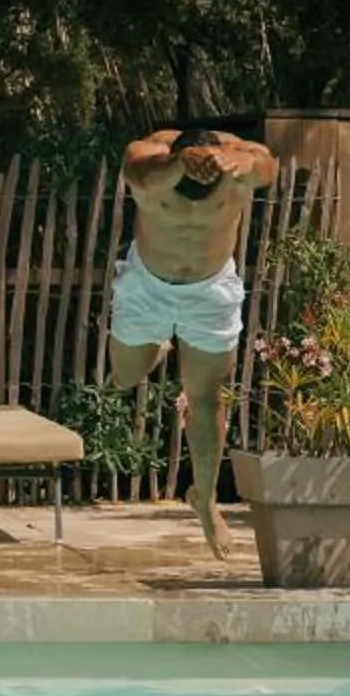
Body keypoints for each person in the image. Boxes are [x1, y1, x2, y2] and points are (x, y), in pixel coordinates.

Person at [112, 124, 280, 557]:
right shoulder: (150, 153)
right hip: (148, 285)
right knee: (125, 377)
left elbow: (267, 167)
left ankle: (204, 501)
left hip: (209, 291)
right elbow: (140, 174)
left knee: (206, 398)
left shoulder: (239, 160)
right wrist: (179, 166)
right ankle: (160, 344)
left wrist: (246, 164)